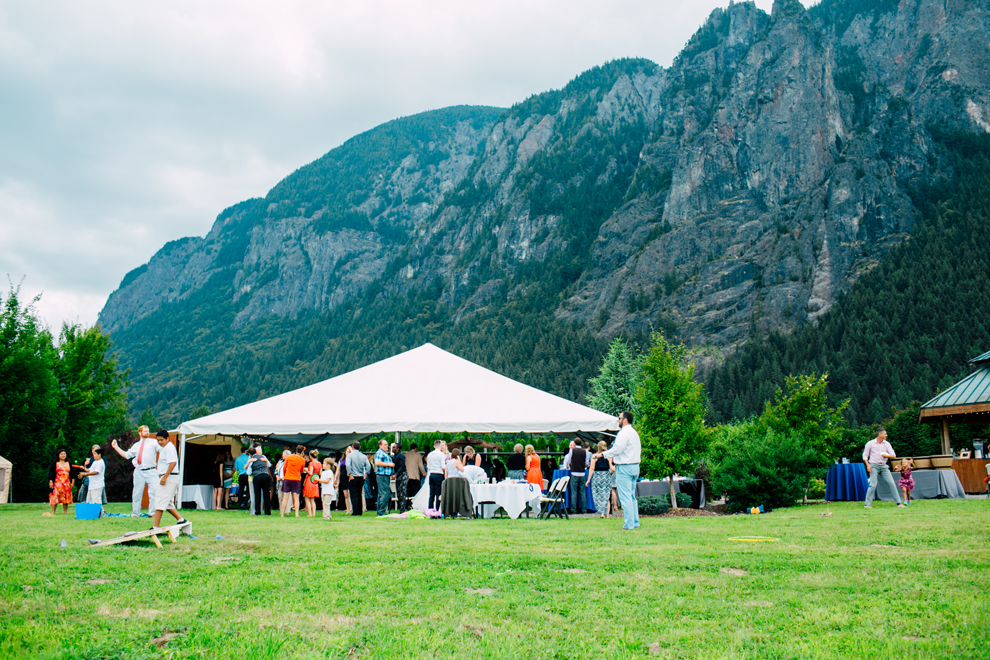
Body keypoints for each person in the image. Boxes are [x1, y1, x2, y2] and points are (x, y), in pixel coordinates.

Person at [111, 426, 161, 517]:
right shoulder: (136, 445)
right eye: (145, 431)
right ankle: (135, 513)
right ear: (140, 433)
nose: (147, 432)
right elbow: (126, 455)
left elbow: (162, 449)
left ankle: (152, 513)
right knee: (137, 493)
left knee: (154, 492)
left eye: (148, 431)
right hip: (139, 471)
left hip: (151, 470)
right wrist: (116, 447)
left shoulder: (154, 443)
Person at [603, 411, 641, 530]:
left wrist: (603, 454)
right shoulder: (634, 433)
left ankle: (629, 524)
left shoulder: (623, 433)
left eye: (619, 418)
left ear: (625, 420)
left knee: (625, 497)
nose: (617, 420)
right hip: (635, 466)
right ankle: (635, 522)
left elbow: (617, 449)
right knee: (631, 496)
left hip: (625, 467)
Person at [152, 430, 187, 528]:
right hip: (167, 476)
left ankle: (155, 526)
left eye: (161, 440)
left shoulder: (169, 448)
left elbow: (173, 462)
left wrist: (165, 476)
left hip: (169, 476)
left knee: (160, 500)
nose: (159, 442)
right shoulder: (164, 448)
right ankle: (181, 519)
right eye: (158, 440)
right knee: (167, 502)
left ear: (167, 439)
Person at [863, 428, 906, 508]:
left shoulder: (887, 444)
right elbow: (865, 455)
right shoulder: (870, 443)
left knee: (891, 483)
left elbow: (893, 455)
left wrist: (887, 456)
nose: (886, 435)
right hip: (873, 466)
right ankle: (867, 504)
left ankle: (898, 503)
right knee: (873, 484)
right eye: (885, 434)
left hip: (884, 466)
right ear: (880, 435)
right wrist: (868, 465)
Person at [587, 441, 615, 518]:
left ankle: (601, 513)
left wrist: (589, 479)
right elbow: (612, 468)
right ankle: (607, 515)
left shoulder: (595, 456)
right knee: (606, 496)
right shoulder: (609, 456)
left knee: (598, 495)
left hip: (597, 476)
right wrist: (610, 474)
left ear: (598, 447)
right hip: (606, 476)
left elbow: (592, 468)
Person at [280, 445, 307, 517]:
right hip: (296, 479)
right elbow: (301, 470)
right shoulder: (302, 460)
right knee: (296, 498)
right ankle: (296, 514)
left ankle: (282, 514)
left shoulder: (289, 457)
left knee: (285, 497)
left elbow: (284, 467)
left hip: (288, 478)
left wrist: (286, 475)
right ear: (302, 452)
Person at [79, 445, 107, 513]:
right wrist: (83, 468)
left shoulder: (101, 462)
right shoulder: (95, 462)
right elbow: (90, 470)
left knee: (96, 500)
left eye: (95, 454)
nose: (93, 455)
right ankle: (92, 513)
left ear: (99, 454)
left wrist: (85, 474)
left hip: (97, 485)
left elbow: (96, 472)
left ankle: (100, 513)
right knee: (89, 500)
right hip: (91, 485)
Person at [247, 444, 272, 516]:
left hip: (257, 476)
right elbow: (269, 465)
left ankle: (257, 511)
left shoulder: (252, 459)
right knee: (266, 494)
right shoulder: (264, 457)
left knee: (257, 494)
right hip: (265, 475)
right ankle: (267, 512)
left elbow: (249, 472)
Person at [346, 442, 371, 516]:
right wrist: (365, 474)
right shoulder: (363, 456)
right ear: (360, 447)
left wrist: (349, 474)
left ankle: (355, 511)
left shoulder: (350, 456)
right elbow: (368, 466)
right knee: (359, 494)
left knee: (353, 495)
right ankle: (360, 511)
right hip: (361, 477)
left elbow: (348, 465)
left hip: (353, 476)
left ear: (352, 447)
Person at [565, 440, 588, 513]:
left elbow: (568, 461)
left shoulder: (572, 450)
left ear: (574, 443)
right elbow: (587, 463)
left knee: (574, 492)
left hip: (574, 472)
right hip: (582, 473)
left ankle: (573, 509)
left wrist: (572, 465)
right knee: (583, 492)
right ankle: (584, 509)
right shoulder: (585, 451)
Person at [47, 449, 73, 515]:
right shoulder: (54, 463)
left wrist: (72, 482)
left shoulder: (69, 462)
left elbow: (73, 473)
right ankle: (53, 512)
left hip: (66, 483)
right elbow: (50, 473)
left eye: (64, 454)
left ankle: (65, 512)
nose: (63, 455)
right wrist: (50, 481)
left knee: (65, 497)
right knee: (55, 497)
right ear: (58, 455)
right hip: (57, 483)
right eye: (61, 454)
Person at [373, 440, 394, 516]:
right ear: (380, 446)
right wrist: (389, 464)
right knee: (385, 493)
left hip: (385, 475)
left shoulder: (384, 453)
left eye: (387, 445)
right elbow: (377, 462)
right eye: (385, 445)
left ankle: (380, 511)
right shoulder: (379, 453)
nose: (386, 446)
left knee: (381, 494)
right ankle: (381, 511)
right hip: (382, 475)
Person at [426, 439, 446, 510]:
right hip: (439, 474)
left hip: (431, 474)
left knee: (431, 494)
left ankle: (430, 509)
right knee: (438, 493)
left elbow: (428, 466)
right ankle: (437, 510)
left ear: (434, 446)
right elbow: (443, 466)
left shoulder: (430, 454)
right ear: (440, 446)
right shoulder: (441, 455)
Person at [303, 449, 322, 517]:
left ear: (310, 456)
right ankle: (314, 514)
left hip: (309, 480)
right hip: (315, 481)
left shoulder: (311, 463)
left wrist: (305, 469)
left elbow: (310, 473)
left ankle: (310, 513)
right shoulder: (319, 463)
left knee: (307, 497)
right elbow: (320, 473)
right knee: (313, 499)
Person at [392, 443, 408, 512]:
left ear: (397, 449)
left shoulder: (401, 455)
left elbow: (402, 466)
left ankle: (402, 509)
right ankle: (401, 508)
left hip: (402, 475)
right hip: (398, 475)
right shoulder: (394, 456)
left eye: (394, 447)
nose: (392, 448)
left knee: (402, 492)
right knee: (398, 492)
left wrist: (396, 474)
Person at [336, 447, 352, 514]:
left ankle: (351, 508)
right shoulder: (341, 460)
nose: (347, 453)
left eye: (349, 451)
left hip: (349, 477)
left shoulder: (351, 460)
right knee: (346, 495)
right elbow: (338, 470)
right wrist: (335, 478)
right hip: (343, 478)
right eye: (347, 451)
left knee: (350, 494)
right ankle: (348, 509)